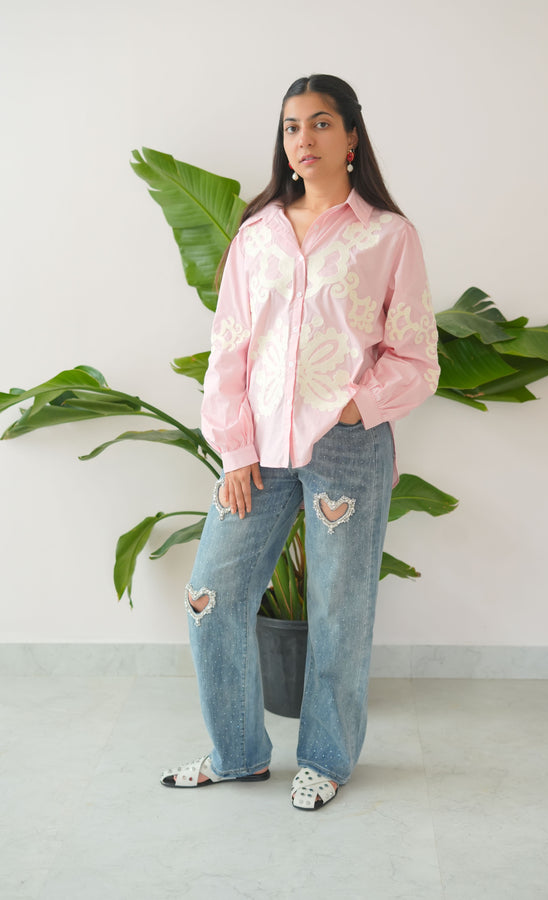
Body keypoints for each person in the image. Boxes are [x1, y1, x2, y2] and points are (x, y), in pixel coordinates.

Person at [160, 74, 440, 810]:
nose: (303, 139)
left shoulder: (388, 236)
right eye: (291, 127)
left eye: (320, 124)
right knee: (212, 595)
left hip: (347, 447)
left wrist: (355, 406)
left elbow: (417, 358)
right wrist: (234, 451)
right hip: (257, 447)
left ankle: (327, 758)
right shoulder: (256, 237)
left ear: (352, 137)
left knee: (341, 611)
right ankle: (238, 755)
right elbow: (230, 352)